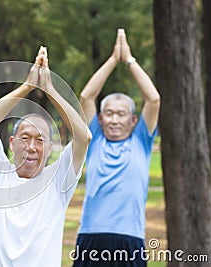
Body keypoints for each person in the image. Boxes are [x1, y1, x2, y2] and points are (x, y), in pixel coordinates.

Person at [0, 46, 92, 266]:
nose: (31, 147)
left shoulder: (58, 183)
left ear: (49, 149)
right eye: (25, 138)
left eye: (40, 141)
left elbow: (83, 137)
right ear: (11, 143)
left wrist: (50, 90)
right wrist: (26, 87)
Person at [72, 29, 160, 266]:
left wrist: (129, 60)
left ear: (133, 121)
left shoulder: (141, 140)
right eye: (108, 113)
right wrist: (113, 60)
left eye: (121, 114)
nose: (114, 119)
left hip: (130, 238)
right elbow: (86, 98)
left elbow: (153, 99)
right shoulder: (95, 140)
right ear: (99, 119)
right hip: (91, 235)